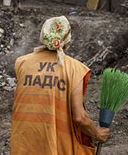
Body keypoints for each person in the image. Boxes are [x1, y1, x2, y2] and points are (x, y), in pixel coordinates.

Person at [10, 16, 110, 154]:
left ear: (42, 36)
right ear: (67, 39)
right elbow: (79, 118)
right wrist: (97, 134)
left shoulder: (22, 63)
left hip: (23, 145)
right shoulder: (75, 68)